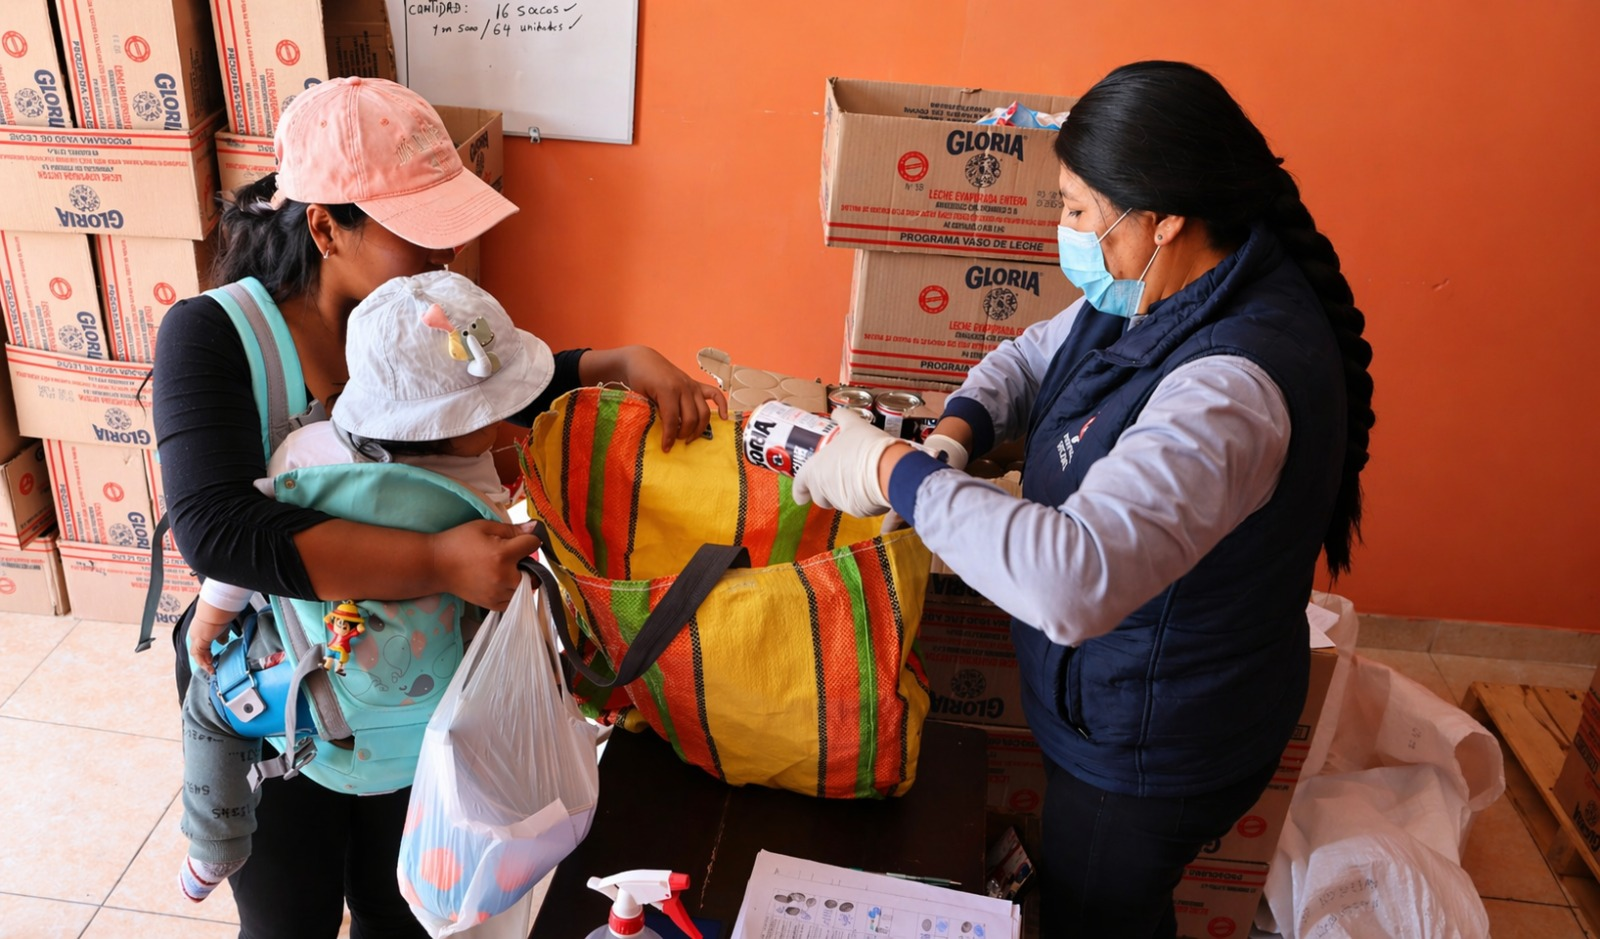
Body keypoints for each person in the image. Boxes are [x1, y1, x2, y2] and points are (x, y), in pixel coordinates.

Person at [793, 61, 1374, 937]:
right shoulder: (1159, 283)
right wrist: (955, 432)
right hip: (1120, 700)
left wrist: (895, 473)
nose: (1064, 231)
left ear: (1163, 217)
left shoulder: (1231, 390)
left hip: (1159, 744)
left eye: (1075, 210)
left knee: (1097, 910)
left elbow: (1075, 578)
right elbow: (1033, 355)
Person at [153, 76, 725, 938]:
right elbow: (219, 531)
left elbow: (487, 394)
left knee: (405, 906)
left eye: (450, 234)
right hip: (280, 697)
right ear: (324, 226)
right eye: (420, 236)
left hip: (415, 689)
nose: (445, 258)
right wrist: (436, 559)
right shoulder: (212, 334)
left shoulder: (418, 316)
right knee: (289, 919)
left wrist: (619, 358)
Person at [175, 270, 553, 904]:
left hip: (314, 694)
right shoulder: (481, 490)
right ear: (456, 421)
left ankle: (215, 846)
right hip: (435, 710)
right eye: (490, 411)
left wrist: (211, 618)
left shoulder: (306, 453)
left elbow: (249, 548)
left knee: (210, 708)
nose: (501, 422)